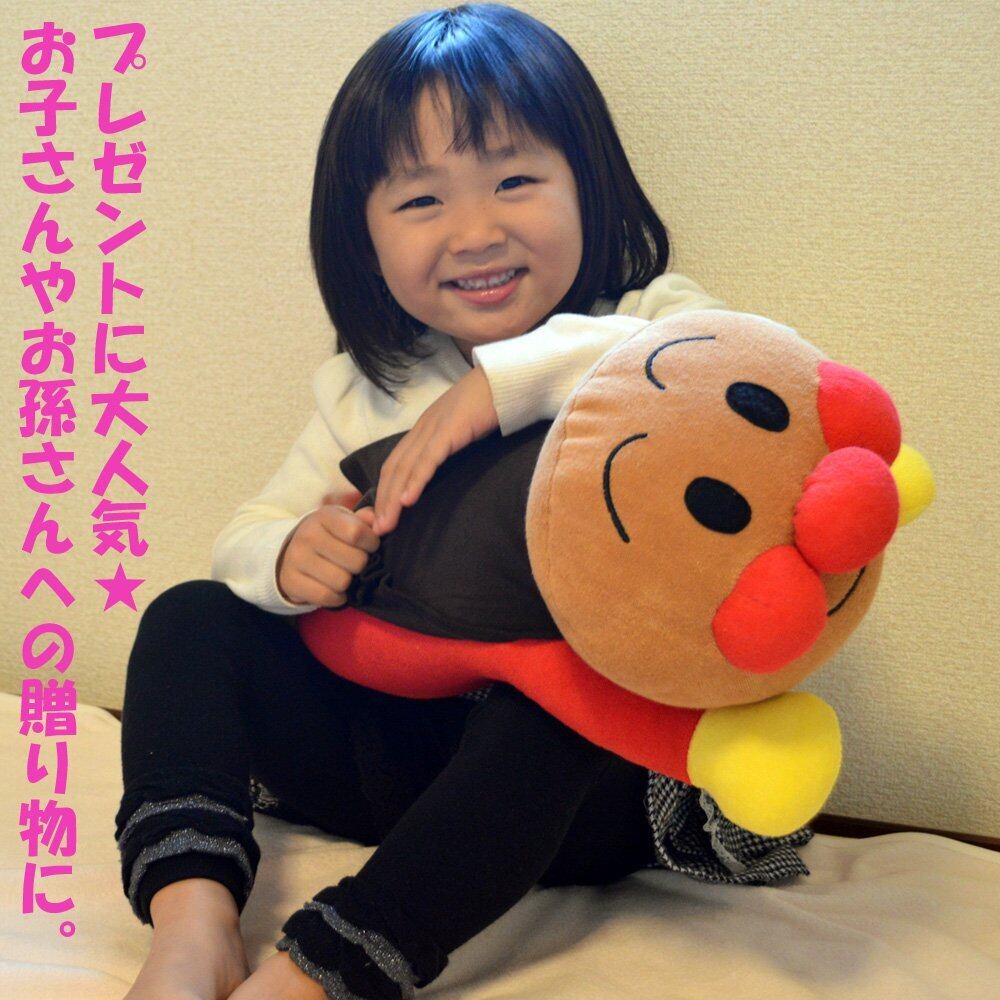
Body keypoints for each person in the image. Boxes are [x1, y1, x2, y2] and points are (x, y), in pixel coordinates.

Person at [115, 5, 813, 998]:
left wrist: (499, 387)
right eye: (420, 199)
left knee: (571, 686)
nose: (476, 231)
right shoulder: (368, 388)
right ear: (364, 238)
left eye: (514, 181)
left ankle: (325, 969)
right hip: (393, 758)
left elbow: (753, 367)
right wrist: (289, 554)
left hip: (573, 790)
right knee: (189, 614)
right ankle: (193, 927)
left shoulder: (653, 322)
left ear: (590, 187)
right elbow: (246, 537)